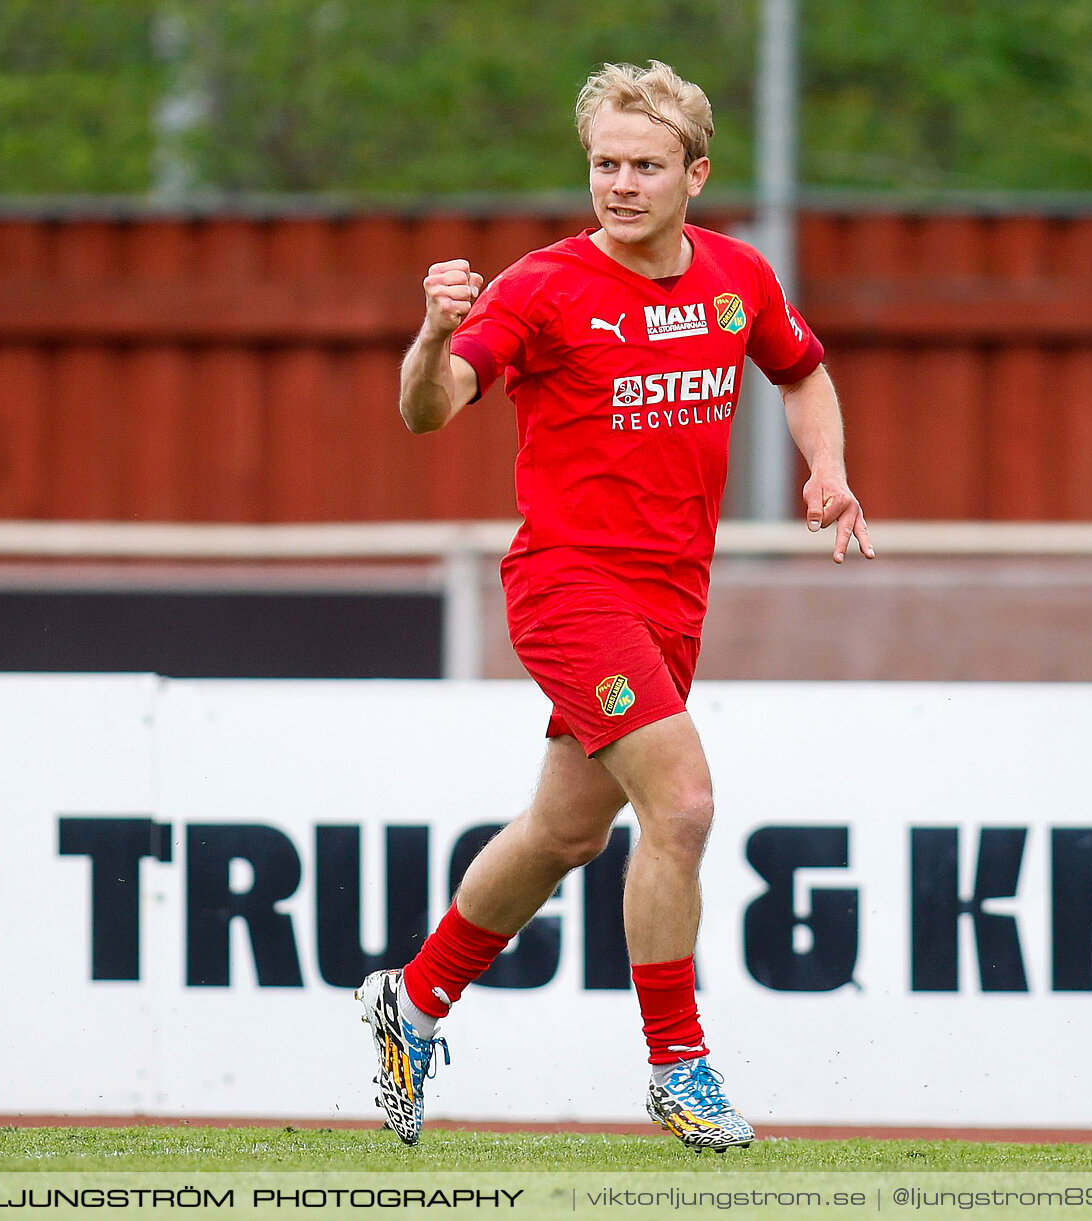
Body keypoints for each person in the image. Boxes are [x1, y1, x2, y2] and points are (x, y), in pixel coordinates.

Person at [357, 60, 873, 1150]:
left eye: (644, 165)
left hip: (670, 601)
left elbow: (802, 371)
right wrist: (429, 339)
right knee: (680, 805)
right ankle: (678, 1068)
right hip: (567, 589)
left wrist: (827, 469)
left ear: (696, 174)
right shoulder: (540, 287)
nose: (621, 184)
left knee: (562, 831)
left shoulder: (737, 277)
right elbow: (429, 409)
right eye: (604, 165)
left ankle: (412, 1000)